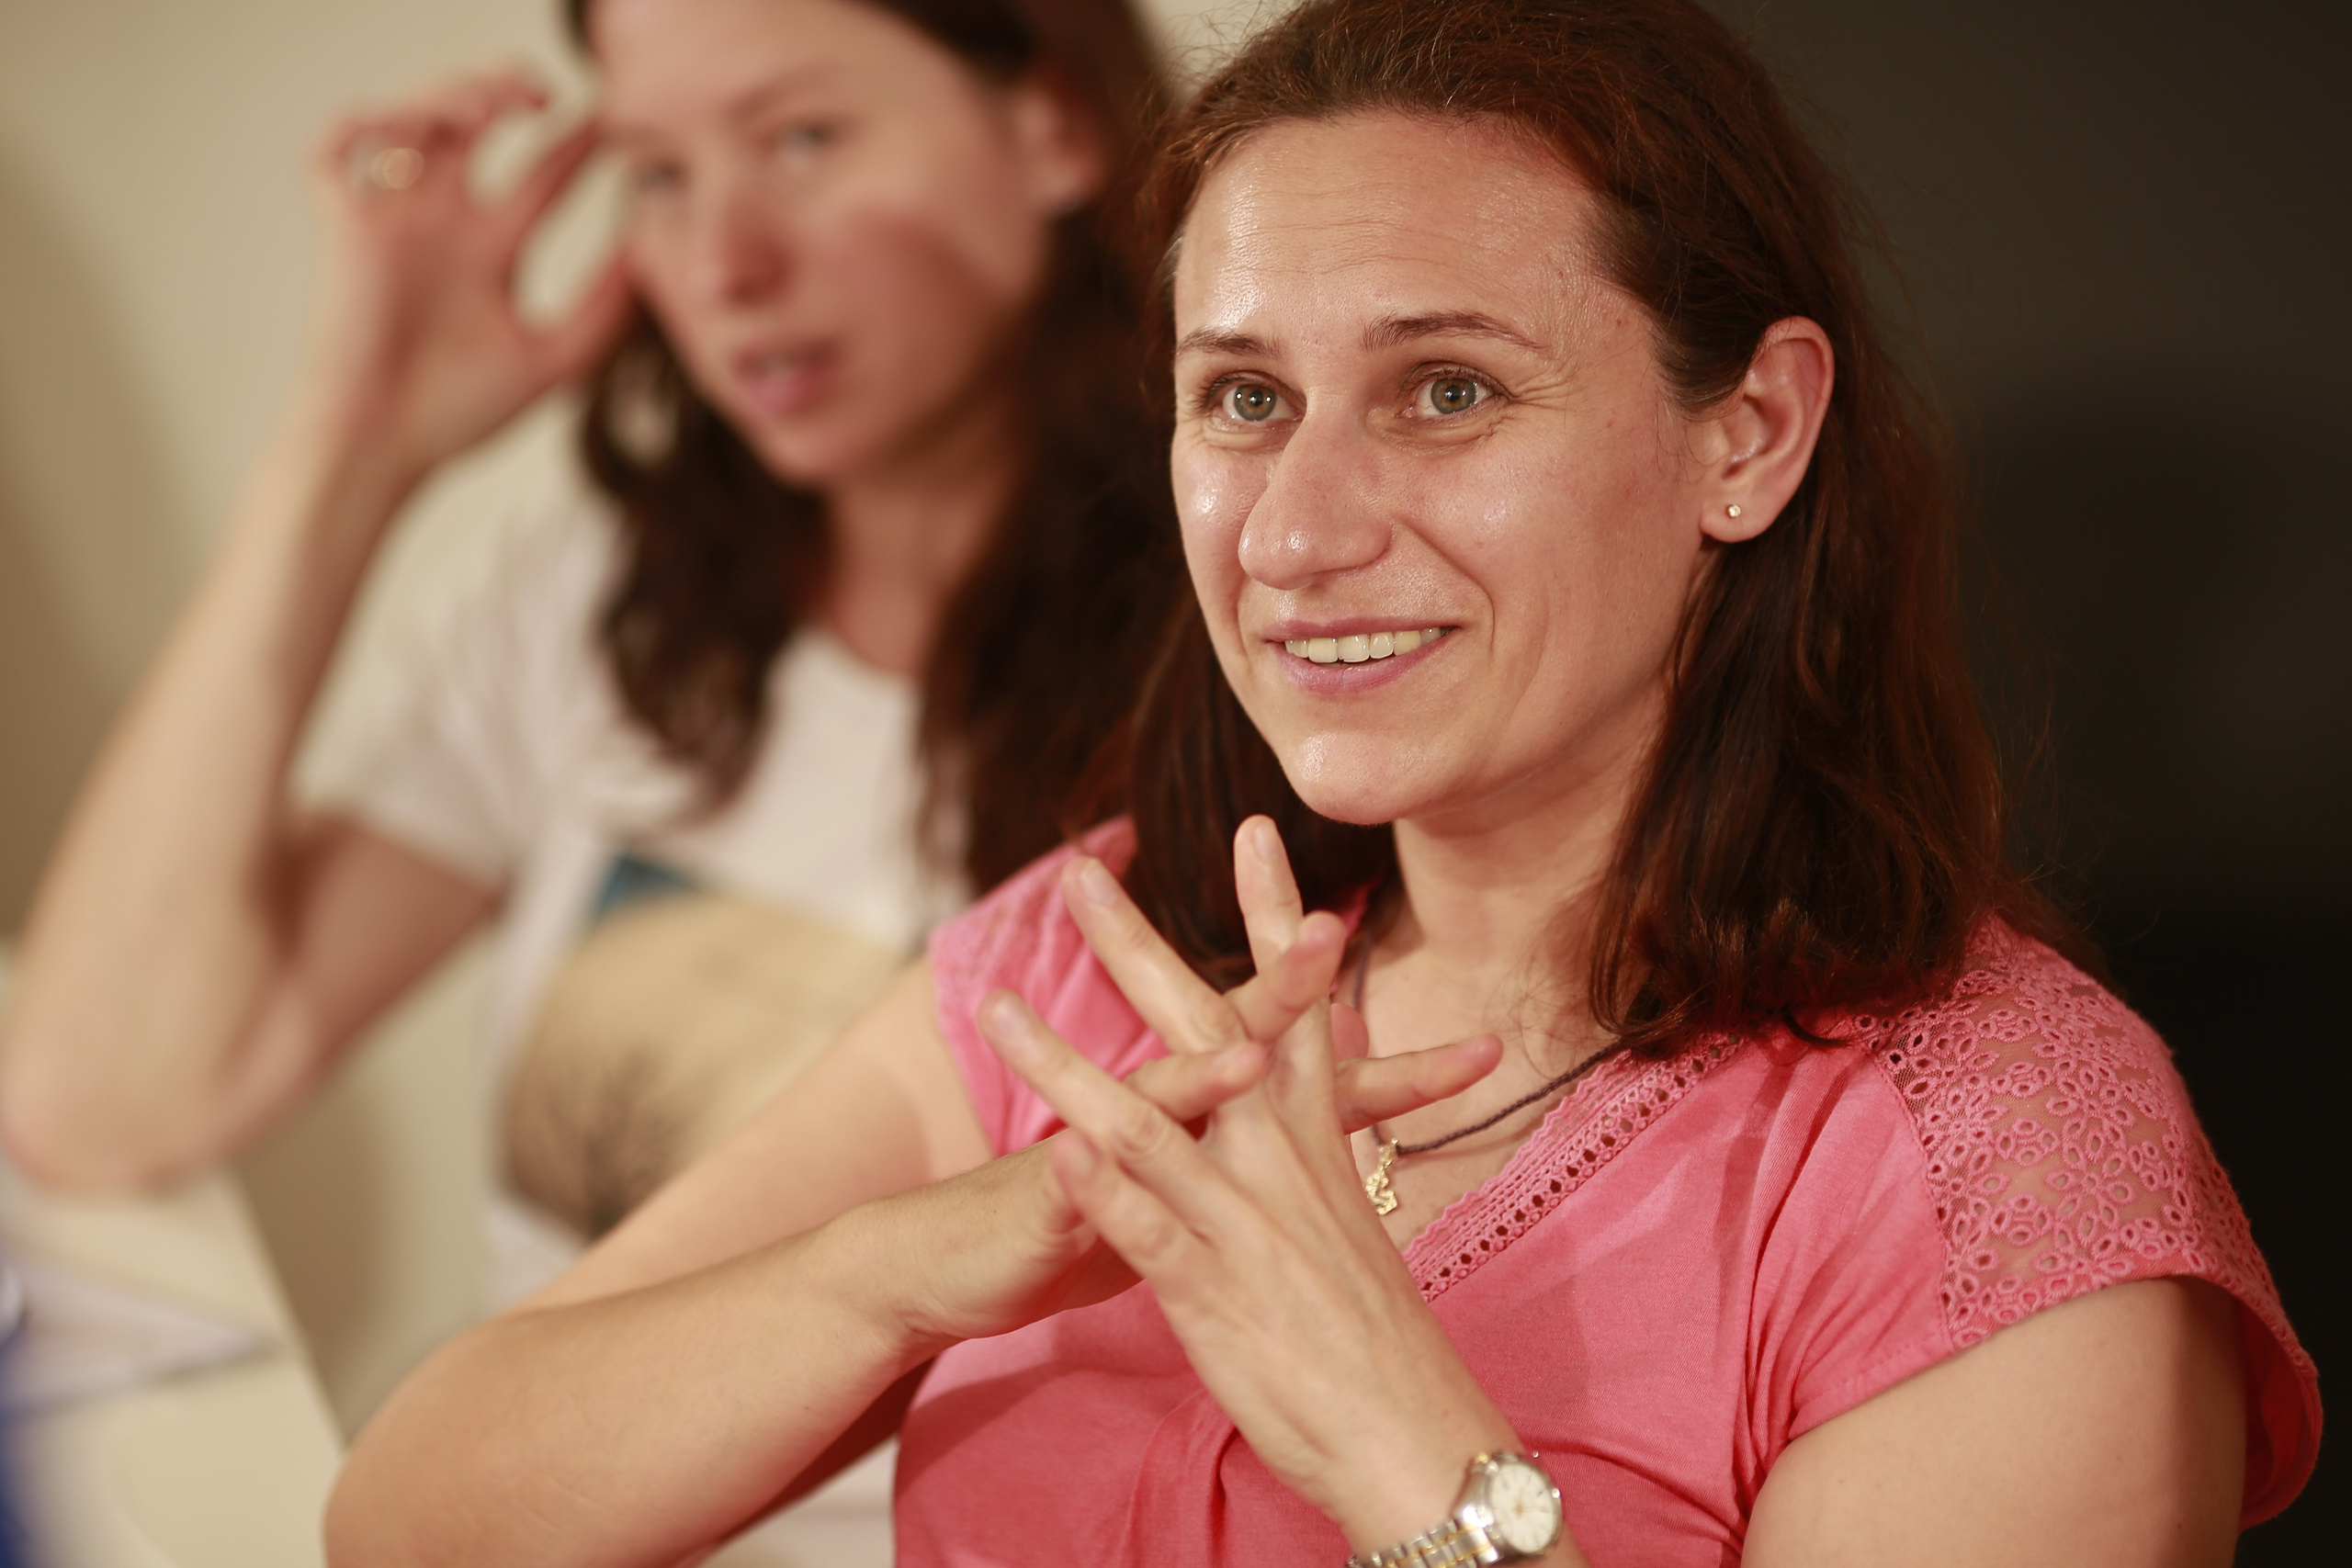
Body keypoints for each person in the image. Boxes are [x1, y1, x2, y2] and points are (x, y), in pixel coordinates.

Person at [326, 0, 2323, 1563]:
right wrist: (950, 1243)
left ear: (1752, 431)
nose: (1290, 530)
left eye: (1443, 391)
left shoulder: (2003, 1160)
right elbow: (411, 1516)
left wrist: (1396, 1434)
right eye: (1243, 399)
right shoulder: (1113, 953)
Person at [0, 0, 1180, 1297]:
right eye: (659, 173)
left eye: (801, 138)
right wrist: (350, 454)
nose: (726, 264)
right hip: (535, 1489)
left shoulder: (1246, 664)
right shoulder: (605, 600)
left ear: (1053, 124)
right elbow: (103, 1104)